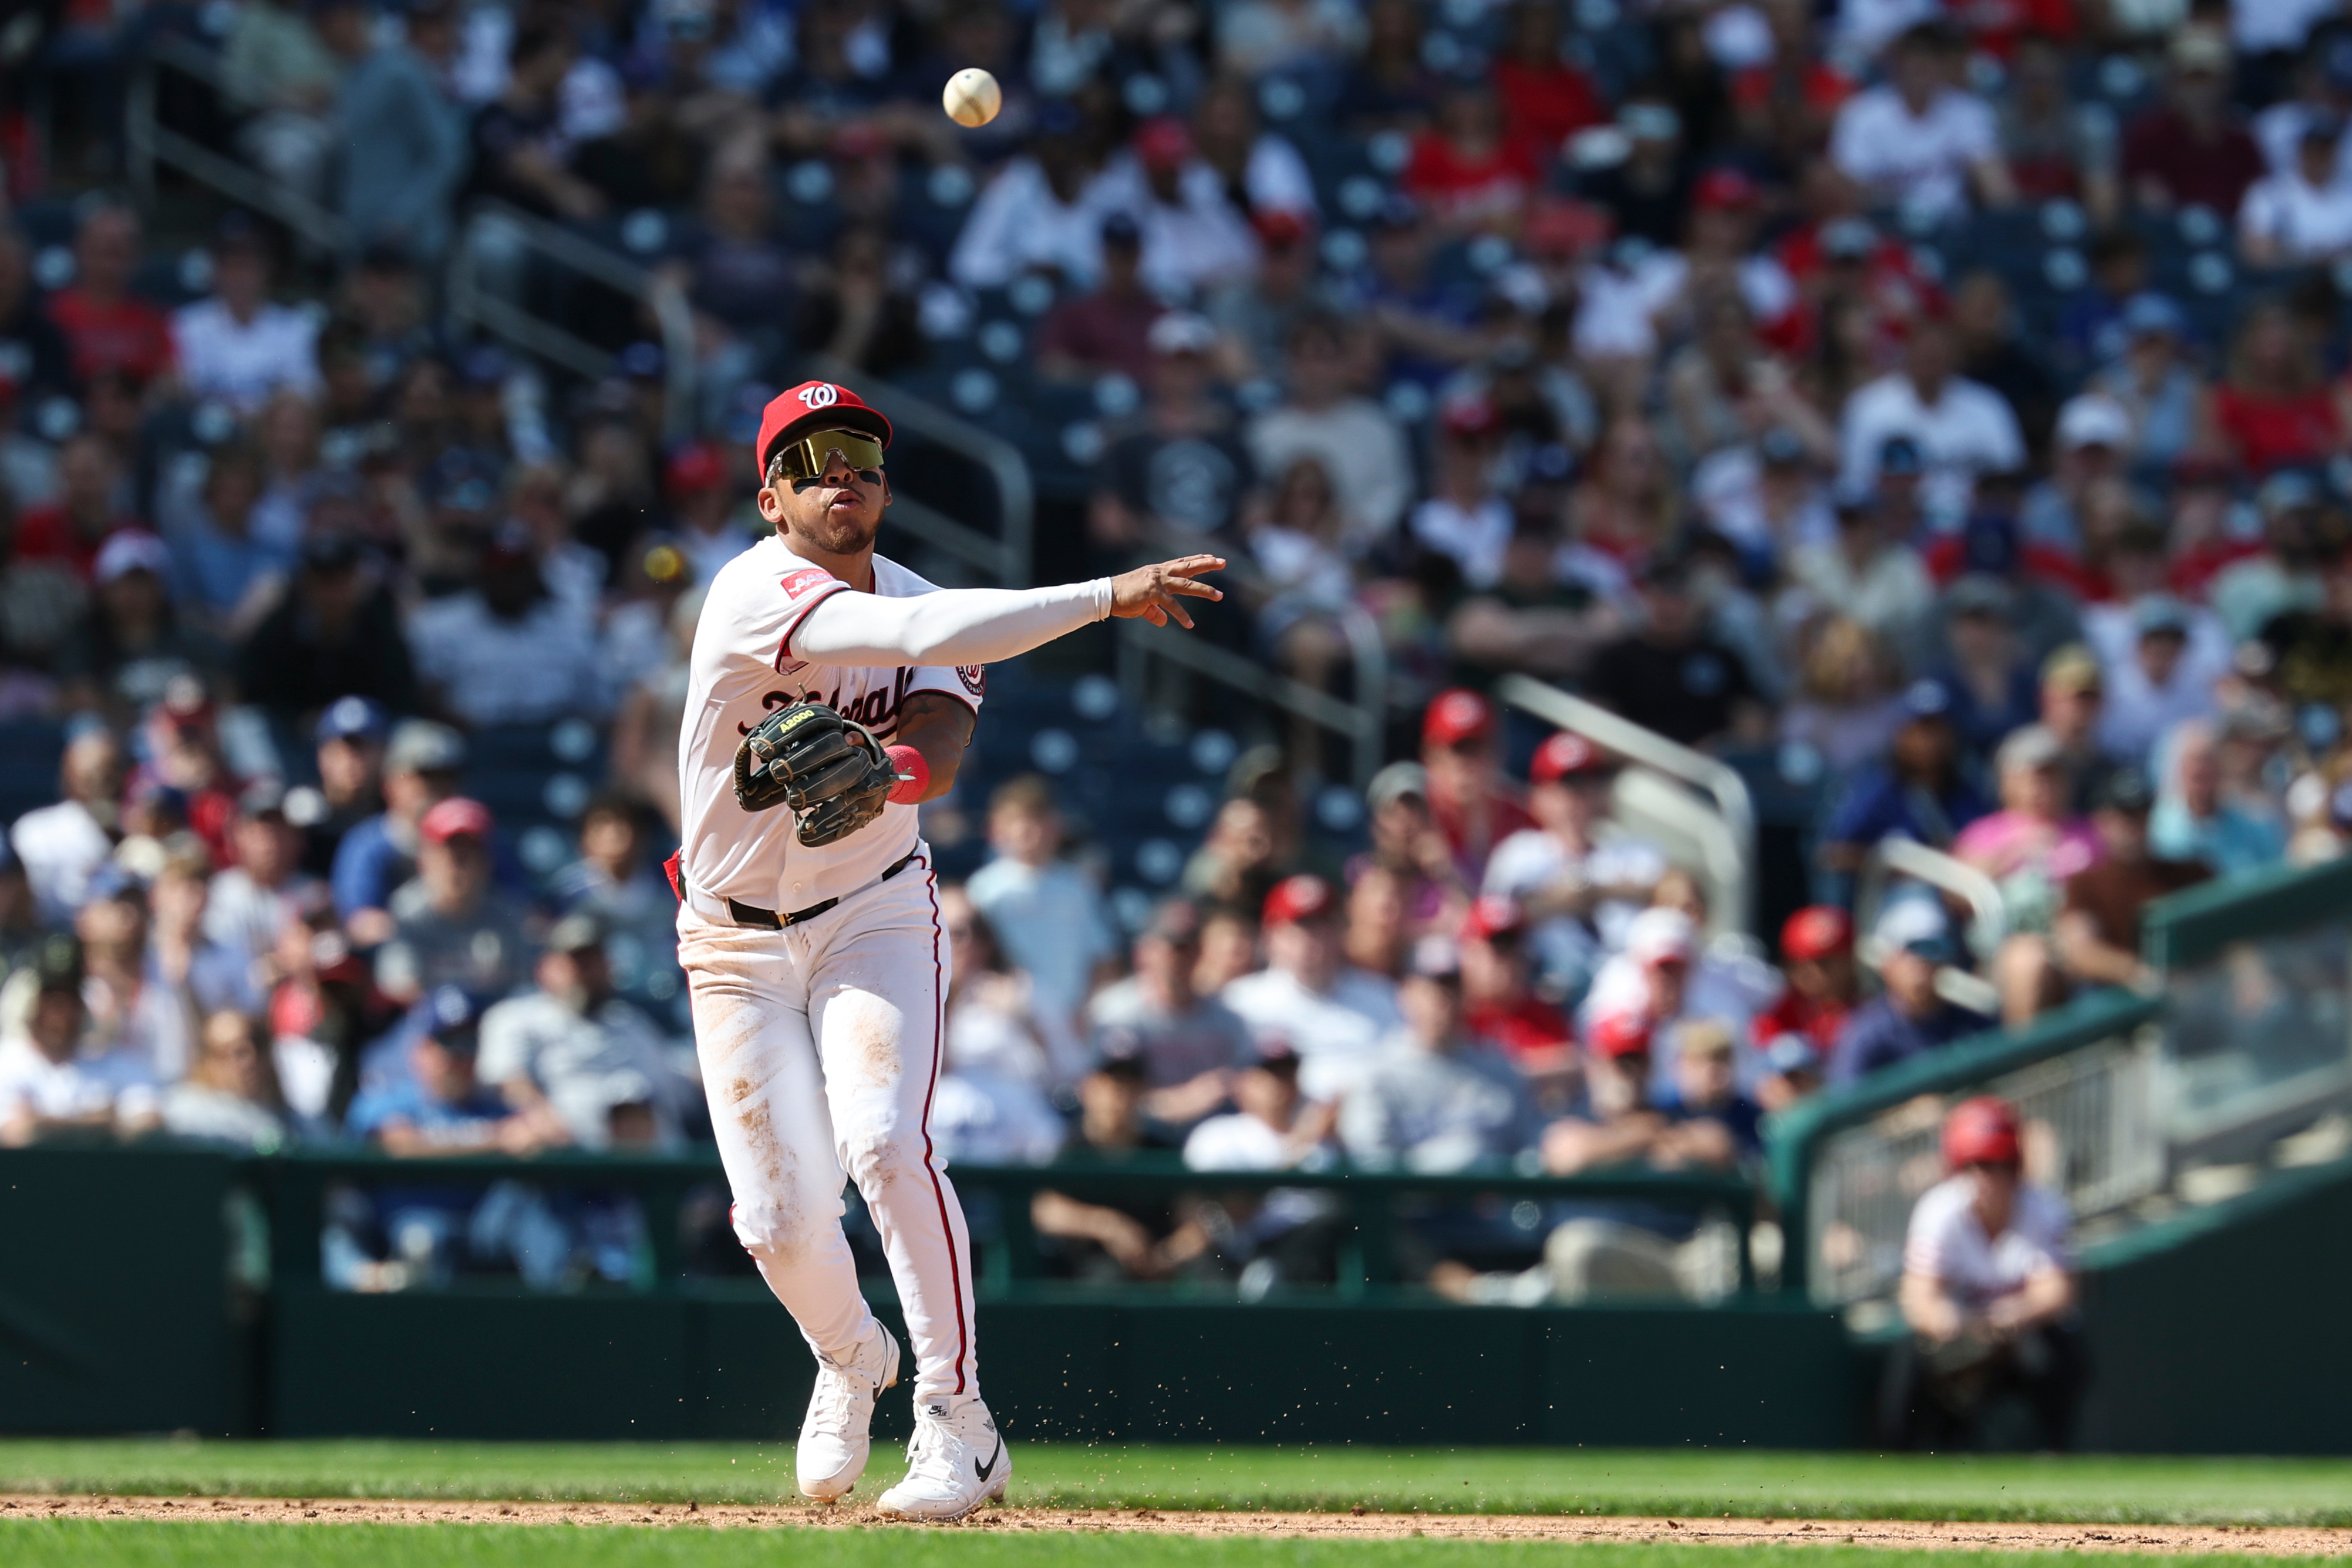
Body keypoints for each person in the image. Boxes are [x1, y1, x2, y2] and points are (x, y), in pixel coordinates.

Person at [668, 379, 1224, 1518]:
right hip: (730, 940)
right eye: (813, 460)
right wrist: (1106, 593)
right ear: (770, 496)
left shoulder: (936, 601)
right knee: (771, 1219)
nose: (842, 477)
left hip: (874, 910)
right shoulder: (749, 590)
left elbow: (942, 735)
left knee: (882, 1140)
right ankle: (849, 1358)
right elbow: (917, 635)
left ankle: (957, 1421)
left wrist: (891, 771)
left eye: (862, 458)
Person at [1883, 1096, 2084, 1449]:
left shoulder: (2043, 1207)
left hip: (2019, 1331)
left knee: (2059, 1355)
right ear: (1958, 1169)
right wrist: (1951, 1322)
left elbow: (2057, 1292)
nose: (1987, 1178)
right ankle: (1899, 1459)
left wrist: (2013, 1315)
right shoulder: (1940, 1210)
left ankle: (2054, 1457)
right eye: (1976, 1165)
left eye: (1999, 1165)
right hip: (1961, 1330)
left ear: (2016, 1167)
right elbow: (1919, 1299)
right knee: (1909, 1358)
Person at [477, 912, 688, 1151]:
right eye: (576, 962)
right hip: (566, 1164)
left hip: (654, 1167)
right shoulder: (516, 1017)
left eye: (594, 961)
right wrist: (540, 1115)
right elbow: (510, 1083)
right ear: (545, 968)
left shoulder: (632, 1022)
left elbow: (675, 1089)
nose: (585, 973)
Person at [1339, 936, 1542, 1174]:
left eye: (1451, 989)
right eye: (1431, 991)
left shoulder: (1499, 1069)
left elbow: (1528, 1157)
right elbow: (1372, 1166)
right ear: (1406, 994)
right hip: (1411, 1207)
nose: (1442, 1003)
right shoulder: (1378, 1074)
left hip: (1490, 1207)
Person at [1219, 874, 1403, 1104]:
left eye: (1322, 928)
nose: (1312, 942)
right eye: (1300, 929)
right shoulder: (1240, 1002)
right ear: (1271, 936)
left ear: (1341, 931)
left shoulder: (1382, 998)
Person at [965, 775, 1120, 1041]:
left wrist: (1085, 1012)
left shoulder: (1077, 887)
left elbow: (1103, 960)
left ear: (1055, 826)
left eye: (1036, 819)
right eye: (1016, 820)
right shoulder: (983, 890)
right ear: (997, 828)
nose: (1026, 830)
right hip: (1005, 1022)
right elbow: (970, 960)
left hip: (1071, 1023)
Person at [1085, 899, 1255, 1127]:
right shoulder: (1116, 1013)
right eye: (1174, 948)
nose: (1182, 958)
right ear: (1145, 952)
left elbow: (1252, 1087)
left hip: (1210, 1131)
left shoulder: (1228, 1019)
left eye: (1191, 947)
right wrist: (1183, 1101)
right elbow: (1107, 1098)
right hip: (1139, 1136)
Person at [1815, 679, 1992, 889]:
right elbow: (1831, 854)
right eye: (1920, 730)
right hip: (1889, 899)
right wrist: (1905, 866)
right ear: (1900, 734)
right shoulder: (1876, 788)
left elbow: (1987, 843)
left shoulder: (1967, 787)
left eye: (1938, 728)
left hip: (1960, 897)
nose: (1929, 741)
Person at [2053, 768, 2209, 1000]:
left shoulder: (2190, 872)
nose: (2133, 826)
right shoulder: (2085, 884)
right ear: (2101, 821)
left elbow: (2228, 932)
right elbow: (2080, 950)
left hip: (2202, 992)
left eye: (2140, 814)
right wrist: (2138, 973)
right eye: (2123, 816)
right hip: (2120, 1002)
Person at [0, 936, 160, 1147]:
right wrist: (99, 1122)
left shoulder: (115, 1062)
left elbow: (149, 1123)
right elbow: (15, 1134)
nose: (59, 1012)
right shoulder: (7, 1062)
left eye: (69, 999)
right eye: (49, 999)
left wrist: (43, 1121)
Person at [373, 797, 534, 1005]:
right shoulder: (406, 914)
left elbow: (523, 988)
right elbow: (399, 989)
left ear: (487, 861)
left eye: (469, 853)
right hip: (422, 1025)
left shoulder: (509, 914)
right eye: (449, 852)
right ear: (425, 859)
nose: (457, 865)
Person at [332, 720, 465, 947]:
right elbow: (361, 924)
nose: (434, 789)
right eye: (423, 777)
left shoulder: (477, 837)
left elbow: (522, 912)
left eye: (445, 777)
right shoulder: (367, 845)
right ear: (391, 784)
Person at [1829, 899, 1992, 1084]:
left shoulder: (1974, 1020)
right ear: (1888, 962)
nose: (1923, 961)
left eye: (1934, 948)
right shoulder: (1864, 1034)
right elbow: (1846, 1102)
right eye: (1913, 950)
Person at [12, 726, 122, 925]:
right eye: (90, 773)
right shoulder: (37, 831)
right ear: (69, 775)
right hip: (53, 943)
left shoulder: (142, 825)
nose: (102, 781)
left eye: (110, 770)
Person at [1755, 906, 1862, 1055]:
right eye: (1797, 962)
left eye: (1823, 963)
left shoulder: (1869, 1011)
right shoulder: (1778, 1016)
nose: (1810, 971)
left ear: (1849, 960)